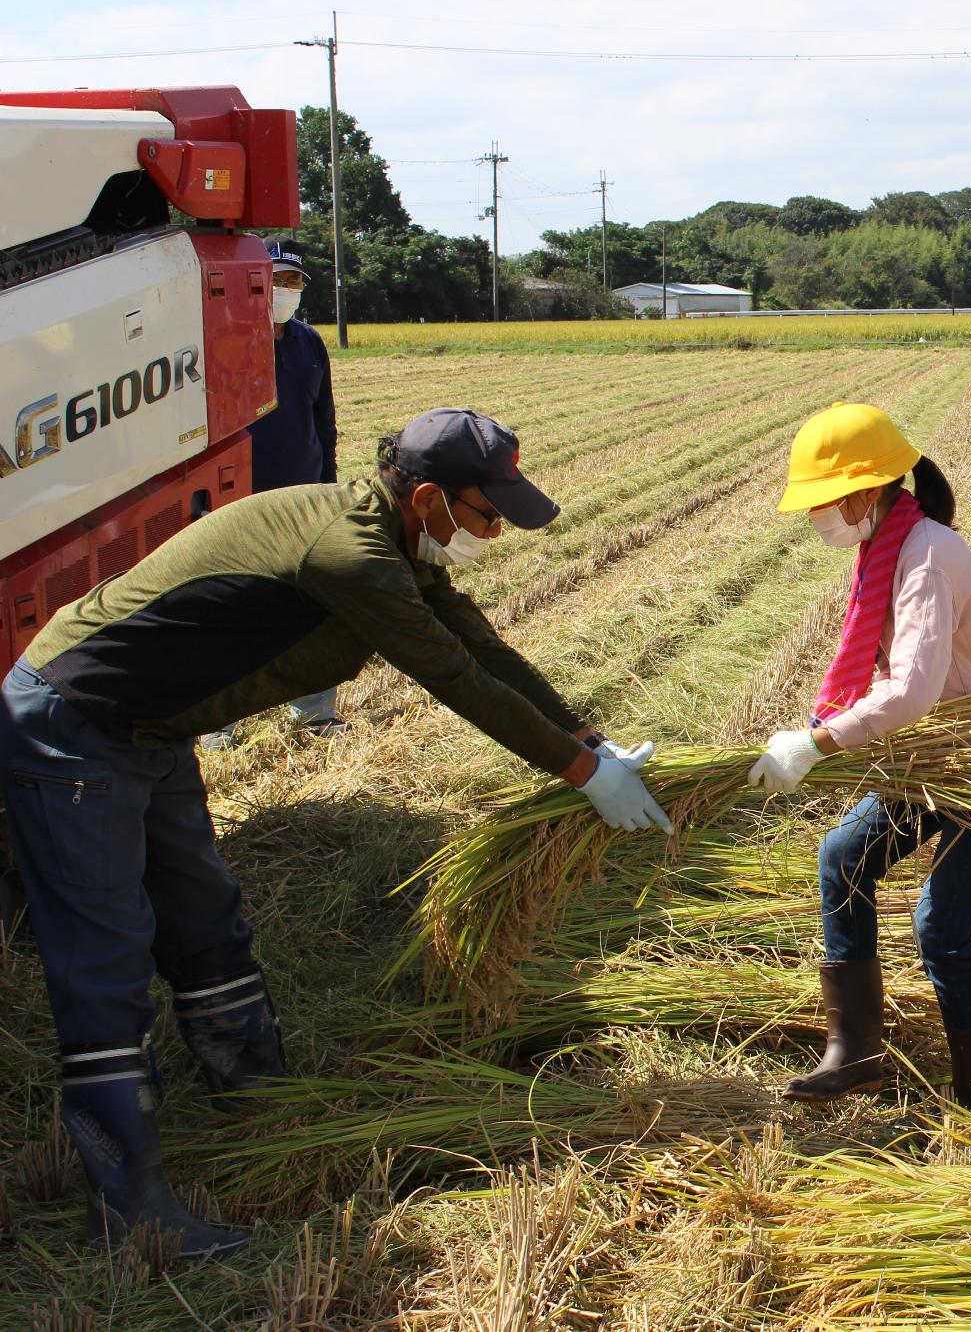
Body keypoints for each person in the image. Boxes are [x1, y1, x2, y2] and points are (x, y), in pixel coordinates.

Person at [0, 408, 670, 1261]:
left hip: (151, 725)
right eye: (488, 513)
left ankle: (259, 1098)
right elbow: (453, 677)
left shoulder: (390, 536)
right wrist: (583, 779)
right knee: (108, 956)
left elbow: (481, 646)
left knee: (205, 916)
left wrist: (587, 739)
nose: (496, 531)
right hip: (75, 720)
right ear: (427, 498)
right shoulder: (347, 555)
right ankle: (129, 1210)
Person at [753, 403, 971, 1119]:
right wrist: (817, 727)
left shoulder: (927, 555)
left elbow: (913, 687)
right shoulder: (883, 548)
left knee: (941, 925)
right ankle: (855, 1051)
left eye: (822, 503)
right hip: (942, 756)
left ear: (862, 493)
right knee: (843, 857)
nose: (815, 519)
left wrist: (818, 744)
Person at [200, 239, 344, 748]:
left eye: (294, 282)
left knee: (310, 605)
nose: (285, 291)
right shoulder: (227, 340)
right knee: (234, 611)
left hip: (303, 501)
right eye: (276, 280)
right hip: (239, 503)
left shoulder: (309, 344)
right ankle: (218, 722)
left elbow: (323, 421)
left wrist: (328, 487)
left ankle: (316, 714)